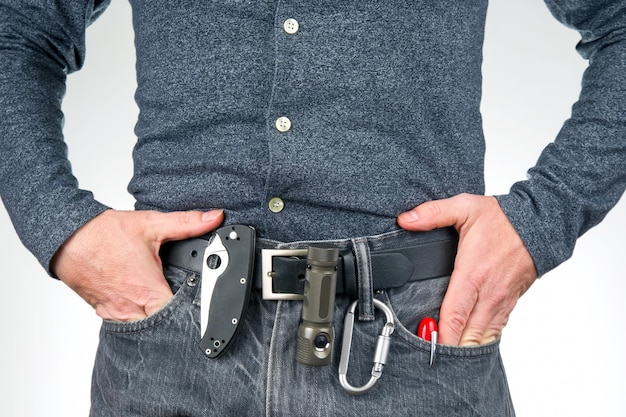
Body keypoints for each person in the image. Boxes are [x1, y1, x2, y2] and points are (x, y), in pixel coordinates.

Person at [1, 0, 624, 416]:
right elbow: (18, 27)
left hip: (415, 339)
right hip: (171, 334)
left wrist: (543, 218)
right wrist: (59, 225)